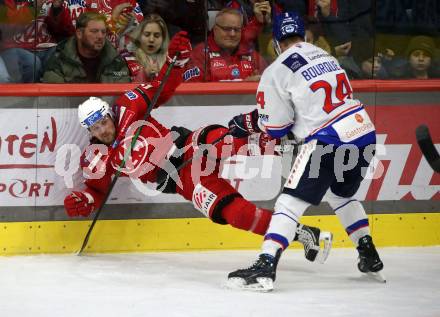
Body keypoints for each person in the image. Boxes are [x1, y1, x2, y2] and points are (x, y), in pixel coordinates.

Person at [64, 31, 332, 263]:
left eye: (103, 122)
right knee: (233, 213)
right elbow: (95, 190)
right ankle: (301, 234)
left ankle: (293, 143)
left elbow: (163, 88)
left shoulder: (128, 105)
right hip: (183, 180)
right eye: (95, 128)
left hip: (187, 146)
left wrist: (174, 62)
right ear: (90, 132)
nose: (103, 129)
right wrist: (84, 200)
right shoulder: (95, 158)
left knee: (221, 138)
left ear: (109, 114)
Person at [226, 11, 384, 291]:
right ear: (304, 35)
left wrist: (247, 122)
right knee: (341, 195)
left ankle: (266, 265)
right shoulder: (326, 56)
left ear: (275, 41)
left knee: (288, 204)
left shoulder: (276, 70)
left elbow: (277, 128)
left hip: (328, 140)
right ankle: (368, 252)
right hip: (363, 131)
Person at [42, 11, 131, 83]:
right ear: (79, 34)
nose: (100, 36)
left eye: (103, 32)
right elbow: (53, 99)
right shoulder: (60, 60)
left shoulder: (115, 60)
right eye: (94, 31)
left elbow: (123, 93)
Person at [185, 8, 267, 82]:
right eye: (227, 29)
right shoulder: (200, 55)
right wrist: (243, 85)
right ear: (215, 30)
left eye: (237, 29)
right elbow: (195, 94)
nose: (232, 34)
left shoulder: (252, 55)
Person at [122, 13, 170, 82]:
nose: (151, 39)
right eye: (147, 35)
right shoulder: (126, 57)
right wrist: (144, 74)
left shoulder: (172, 60)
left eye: (156, 36)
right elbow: (121, 87)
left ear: (163, 39)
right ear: (139, 36)